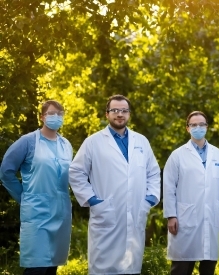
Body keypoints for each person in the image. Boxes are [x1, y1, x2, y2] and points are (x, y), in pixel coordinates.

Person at [69, 94, 161, 274]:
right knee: (104, 268)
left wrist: (149, 200)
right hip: (106, 214)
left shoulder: (141, 141)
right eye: (115, 110)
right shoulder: (93, 142)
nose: (120, 114)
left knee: (131, 266)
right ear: (107, 114)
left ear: (129, 114)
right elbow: (76, 172)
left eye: (124, 110)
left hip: (135, 212)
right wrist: (93, 200)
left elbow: (153, 172)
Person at [0, 100, 72, 275]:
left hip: (60, 212)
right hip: (37, 213)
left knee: (51, 267)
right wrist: (23, 197)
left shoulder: (66, 145)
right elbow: (6, 171)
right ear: (42, 117)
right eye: (52, 113)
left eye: (60, 114)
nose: (56, 117)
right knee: (37, 267)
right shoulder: (28, 141)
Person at [163, 111, 219, 275]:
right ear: (187, 128)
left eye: (201, 124)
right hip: (185, 218)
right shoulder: (177, 155)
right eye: (194, 125)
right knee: (182, 267)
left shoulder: (217, 154)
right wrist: (171, 215)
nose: (198, 128)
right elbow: (169, 187)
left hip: (211, 216)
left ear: (207, 127)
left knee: (208, 266)